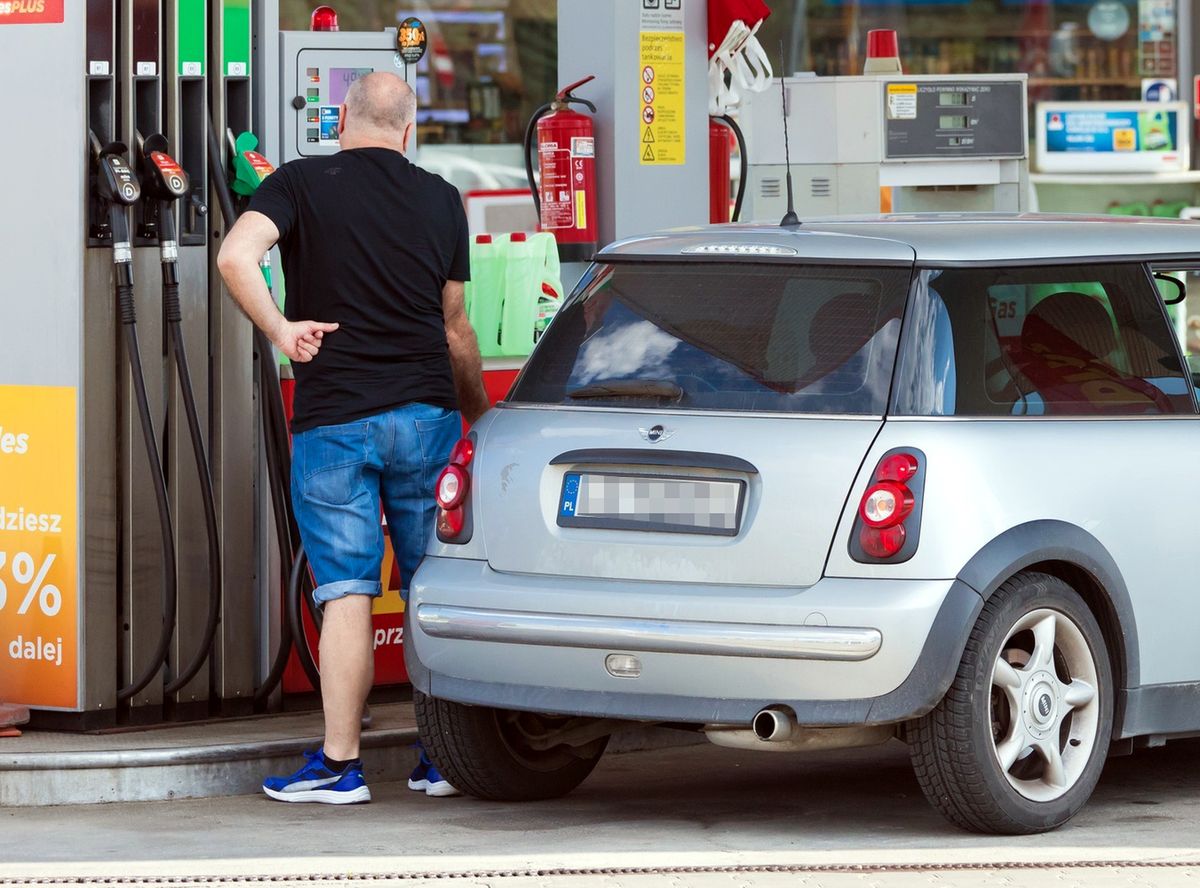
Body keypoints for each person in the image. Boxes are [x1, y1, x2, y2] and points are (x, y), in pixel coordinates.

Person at [217, 72, 490, 805]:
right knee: (429, 584)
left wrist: (281, 331)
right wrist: (478, 415)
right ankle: (441, 758)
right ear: (409, 131)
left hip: (336, 418)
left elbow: (234, 257)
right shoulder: (442, 198)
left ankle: (341, 766)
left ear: (341, 118)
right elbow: (455, 326)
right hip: (428, 417)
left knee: (346, 592)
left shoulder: (301, 184)